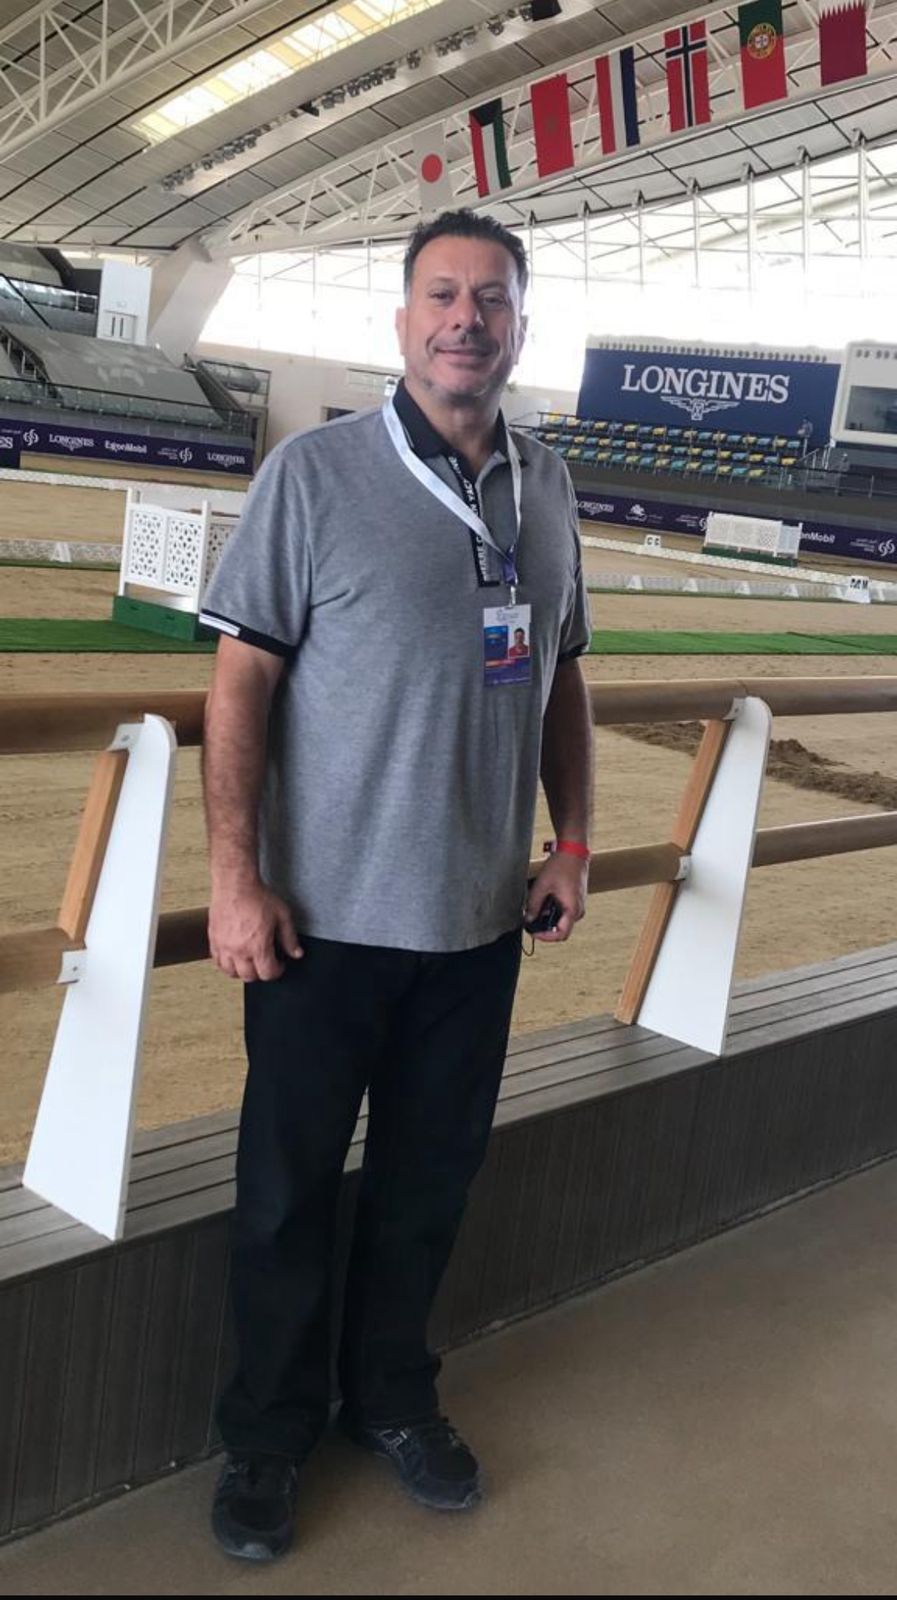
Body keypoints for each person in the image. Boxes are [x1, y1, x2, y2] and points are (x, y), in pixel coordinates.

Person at [199, 207, 593, 1563]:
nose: (465, 319)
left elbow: (561, 674)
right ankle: (265, 1438)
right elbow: (240, 684)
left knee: (427, 1189)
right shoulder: (313, 475)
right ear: (403, 319)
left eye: (492, 298)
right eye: (442, 294)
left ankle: (392, 1401)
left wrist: (575, 840)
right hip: (320, 927)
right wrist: (234, 877)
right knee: (286, 1198)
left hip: (479, 926)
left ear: (520, 325)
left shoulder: (548, 488)